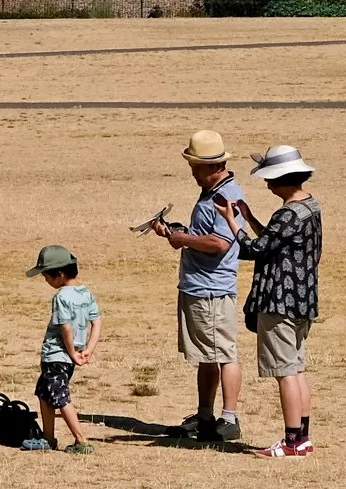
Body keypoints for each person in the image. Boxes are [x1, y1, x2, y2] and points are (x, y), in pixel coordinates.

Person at [214, 145, 321, 459]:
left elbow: (254, 250)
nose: (267, 184)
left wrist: (233, 221)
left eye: (270, 179)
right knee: (297, 369)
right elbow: (274, 243)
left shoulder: (287, 213)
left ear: (283, 178)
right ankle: (302, 437)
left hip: (279, 301)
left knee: (285, 371)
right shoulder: (309, 207)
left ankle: (291, 442)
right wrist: (249, 217)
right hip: (302, 300)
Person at [151, 130, 245, 441]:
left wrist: (184, 239)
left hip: (212, 290)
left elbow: (220, 242)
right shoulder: (212, 192)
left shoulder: (224, 196)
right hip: (198, 287)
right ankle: (205, 415)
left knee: (225, 353)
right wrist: (176, 233)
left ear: (214, 165)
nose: (192, 173)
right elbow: (205, 235)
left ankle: (229, 419)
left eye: (196, 167)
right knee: (207, 355)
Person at [20, 245, 102, 454]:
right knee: (44, 393)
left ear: (60, 274)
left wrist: (72, 352)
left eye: (46, 275)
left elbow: (65, 327)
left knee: (60, 396)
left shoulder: (61, 297)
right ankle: (48, 438)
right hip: (69, 357)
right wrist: (88, 349)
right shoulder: (85, 293)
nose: (45, 280)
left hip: (57, 355)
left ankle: (81, 440)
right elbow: (97, 321)